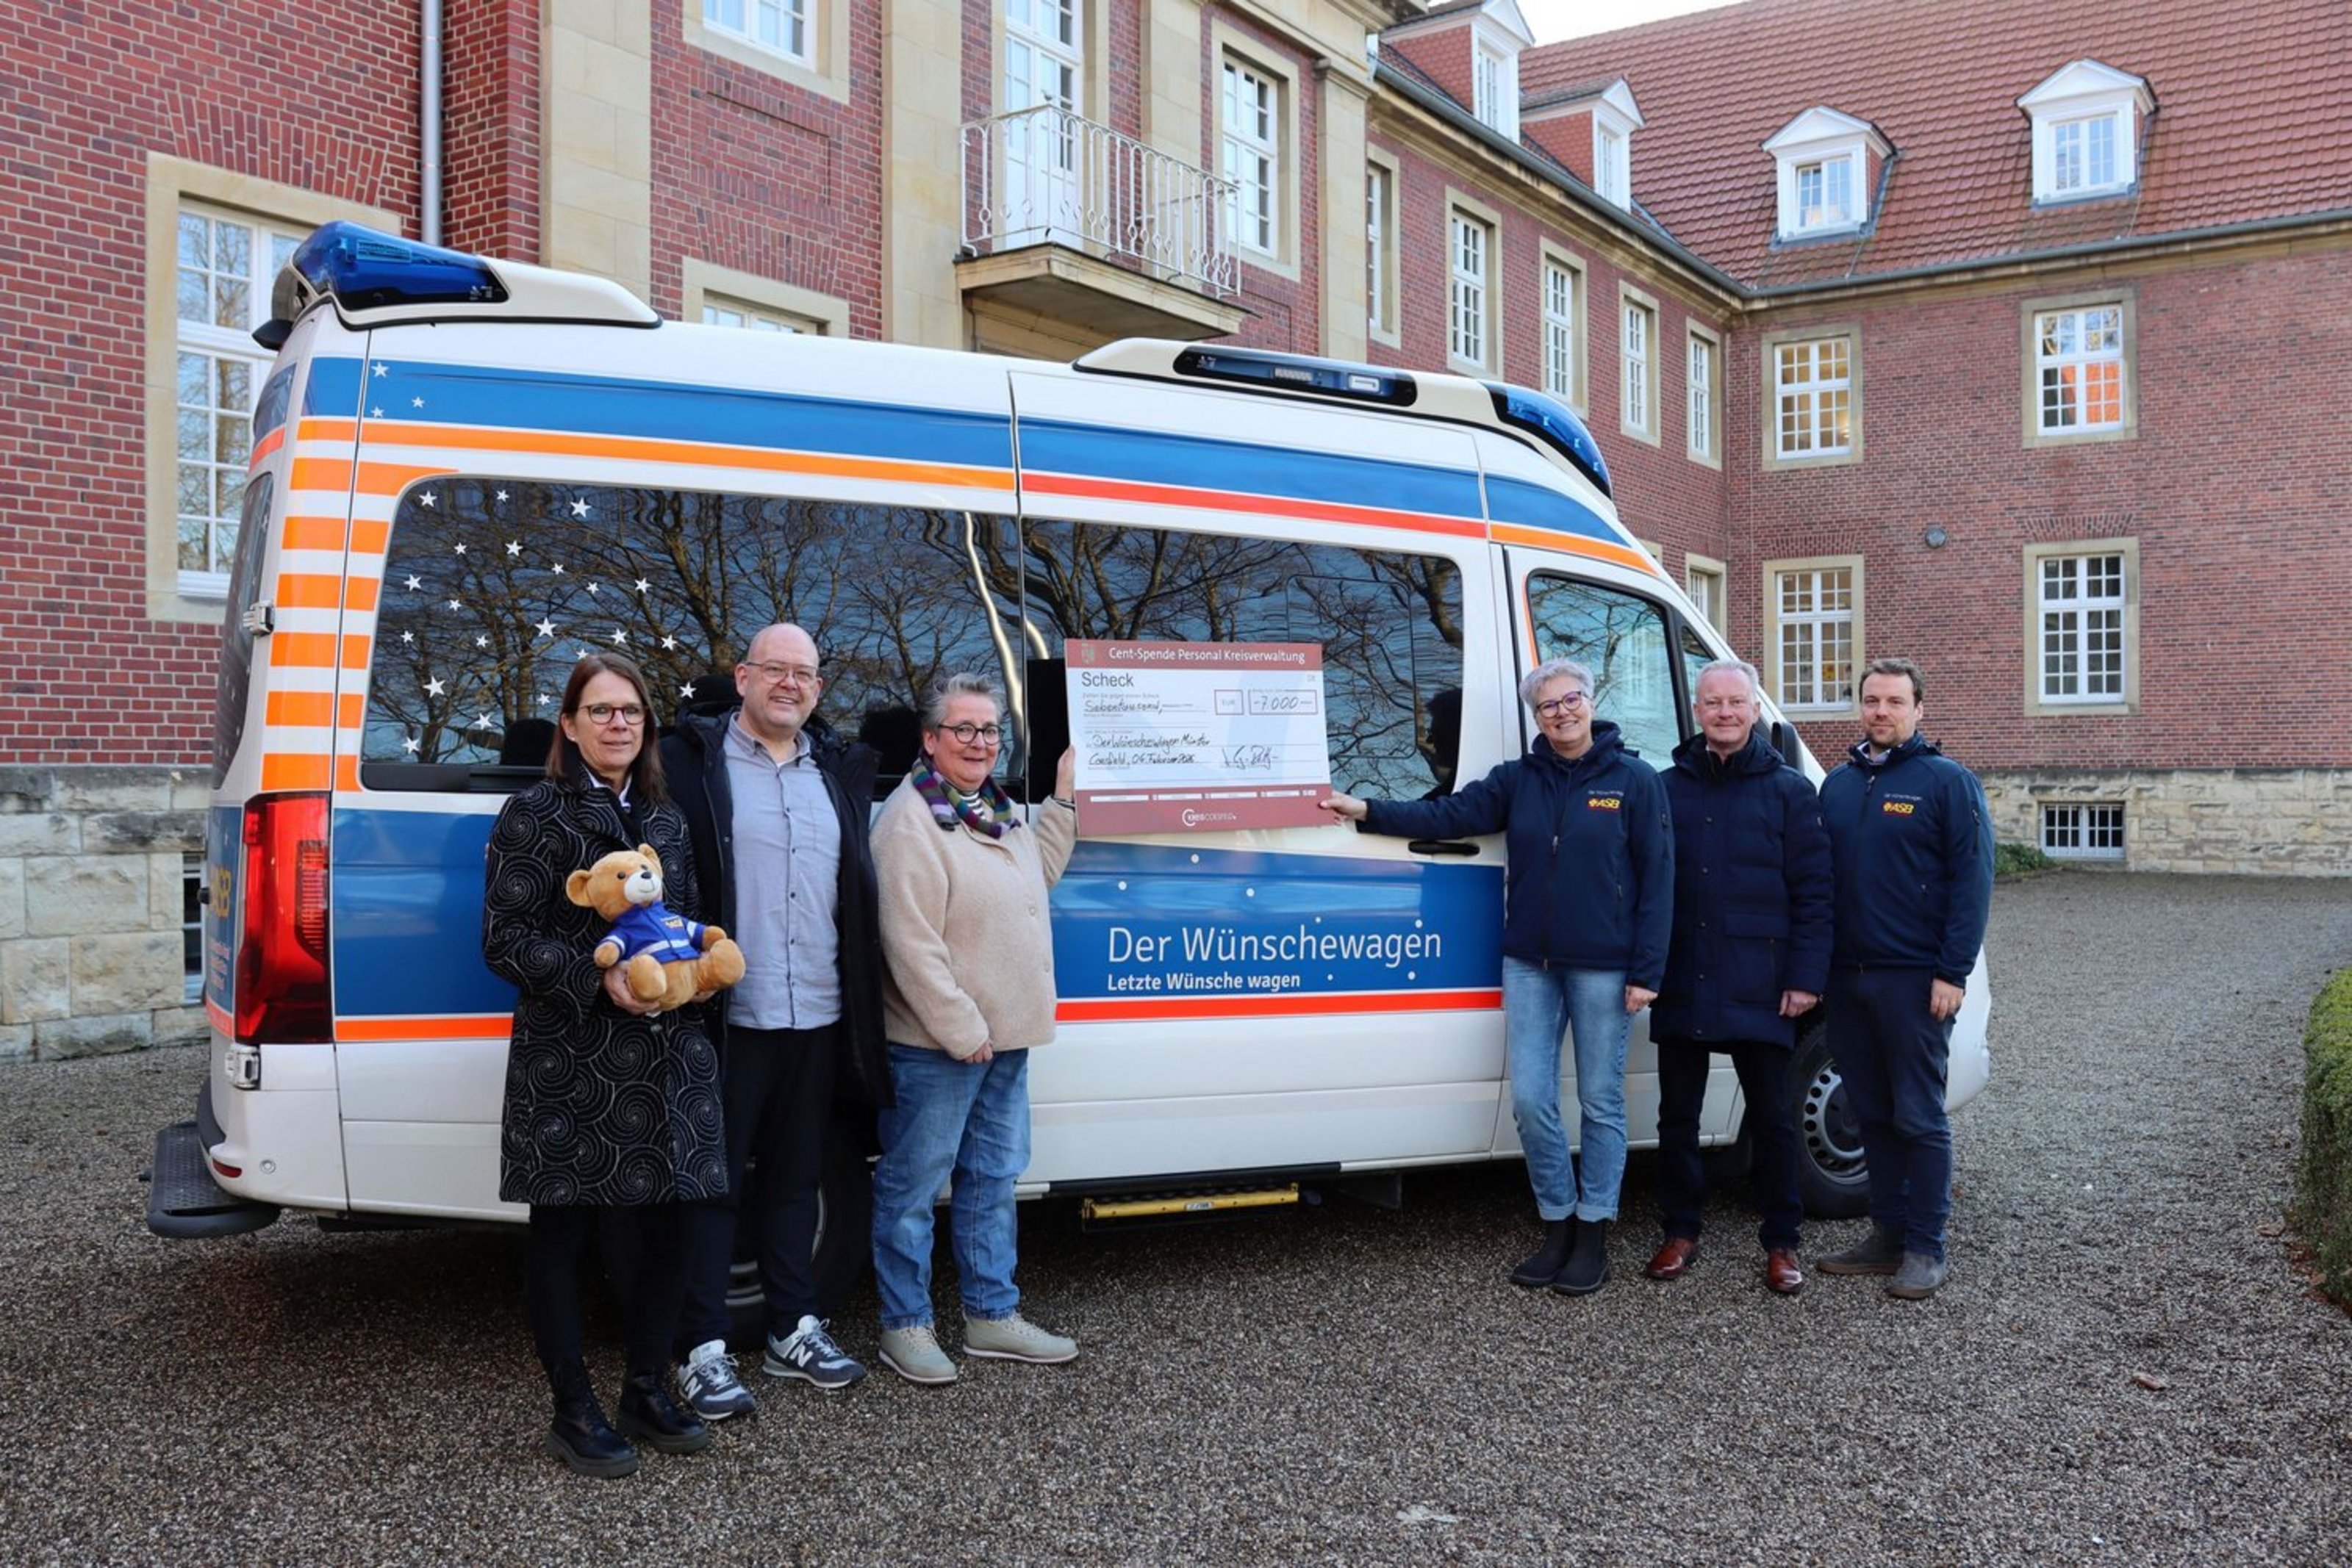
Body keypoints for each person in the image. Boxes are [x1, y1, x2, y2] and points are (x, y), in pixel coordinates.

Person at [1321, 658, 1671, 1295]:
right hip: (1530, 964)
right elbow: (1447, 816)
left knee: (1600, 1102)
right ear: (1535, 717)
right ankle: (1557, 1221)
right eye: (1547, 705)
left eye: (1571, 700)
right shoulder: (1518, 780)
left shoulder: (1634, 780)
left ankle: (1594, 1231)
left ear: (1592, 703)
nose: (1561, 712)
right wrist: (1363, 807)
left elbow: (1659, 880)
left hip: (1604, 967)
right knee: (1533, 1101)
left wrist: (1646, 971)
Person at [481, 652, 725, 1478]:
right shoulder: (534, 814)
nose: (618, 723)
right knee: (563, 1230)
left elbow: (683, 924)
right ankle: (572, 1407)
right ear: (570, 724)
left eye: (631, 712)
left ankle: (646, 1387)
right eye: (601, 710)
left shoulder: (666, 819)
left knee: (679, 1222)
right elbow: (505, 940)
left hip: (668, 1055)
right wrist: (600, 976)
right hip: (574, 1057)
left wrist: (687, 979)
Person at [659, 624, 887, 1420]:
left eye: (805, 674)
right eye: (774, 670)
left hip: (818, 1011)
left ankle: (794, 1327)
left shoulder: (838, 772)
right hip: (729, 1014)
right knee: (712, 1184)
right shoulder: (691, 763)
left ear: (818, 690)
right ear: (743, 676)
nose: (789, 684)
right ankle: (701, 1349)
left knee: (795, 1181)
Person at [868, 674, 1079, 1384]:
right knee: (912, 1189)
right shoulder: (909, 819)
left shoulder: (996, 811)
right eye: (964, 730)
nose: (980, 743)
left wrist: (1065, 796)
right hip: (943, 1043)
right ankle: (906, 1326)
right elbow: (909, 940)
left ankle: (992, 1316)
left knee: (993, 1177)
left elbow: (1035, 876)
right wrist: (962, 1028)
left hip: (1006, 1035)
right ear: (930, 740)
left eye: (990, 731)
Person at [1644, 659, 1832, 1295]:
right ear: (1696, 712)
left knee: (1774, 1118)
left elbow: (1814, 893)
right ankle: (1681, 1229)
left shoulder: (1790, 791)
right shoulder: (1665, 788)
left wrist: (1806, 978)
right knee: (1678, 1117)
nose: (1724, 713)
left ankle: (1782, 1242)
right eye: (1712, 703)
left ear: (1756, 710)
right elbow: (1645, 887)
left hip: (1762, 976)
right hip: (1684, 971)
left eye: (1736, 702)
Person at [1815, 656, 1993, 1301]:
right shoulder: (1837, 784)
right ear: (1859, 707)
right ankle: (1886, 1237)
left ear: (1919, 710)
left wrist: (1952, 972)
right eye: (1871, 701)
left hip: (1914, 982)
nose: (1881, 712)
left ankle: (1926, 1245)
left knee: (1918, 1115)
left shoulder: (1947, 783)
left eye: (1894, 702)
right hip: (1847, 978)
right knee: (1872, 1113)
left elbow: (1971, 887)